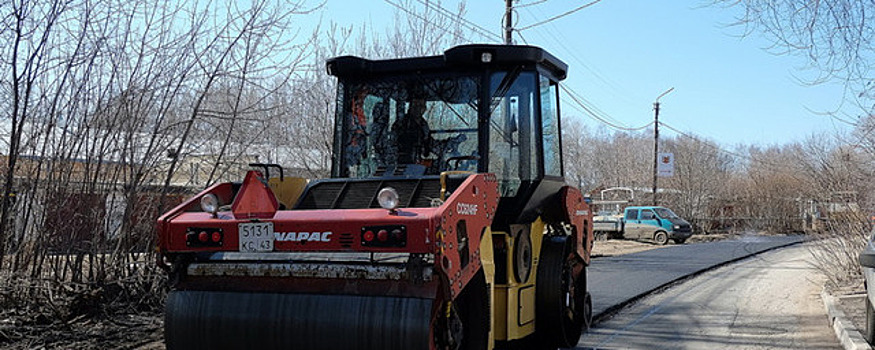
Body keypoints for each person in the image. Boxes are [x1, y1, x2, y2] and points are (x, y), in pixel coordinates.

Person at [391, 99, 431, 164]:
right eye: (415, 105)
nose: (418, 108)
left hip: (417, 165)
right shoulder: (401, 123)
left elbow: (427, 147)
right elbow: (393, 144)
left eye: (421, 106)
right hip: (401, 166)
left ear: (425, 109)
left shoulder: (424, 125)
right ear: (410, 107)